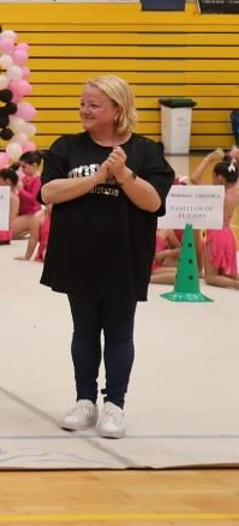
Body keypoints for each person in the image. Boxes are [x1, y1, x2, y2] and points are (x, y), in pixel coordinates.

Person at [41, 76, 175, 439]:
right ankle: (84, 400)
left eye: (93, 105)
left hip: (124, 256)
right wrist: (98, 176)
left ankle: (114, 404)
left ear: (118, 109)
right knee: (84, 330)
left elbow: (154, 202)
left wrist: (124, 174)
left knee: (119, 332)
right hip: (77, 255)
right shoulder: (67, 146)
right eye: (82, 103)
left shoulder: (146, 151)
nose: (84, 110)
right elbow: (49, 192)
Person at [192, 148, 239, 289]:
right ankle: (234, 280)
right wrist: (233, 161)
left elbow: (194, 178)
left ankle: (236, 284)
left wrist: (208, 159)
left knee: (210, 277)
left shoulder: (215, 194)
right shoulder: (235, 193)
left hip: (216, 234)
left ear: (219, 178)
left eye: (213, 176)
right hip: (228, 234)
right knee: (226, 273)